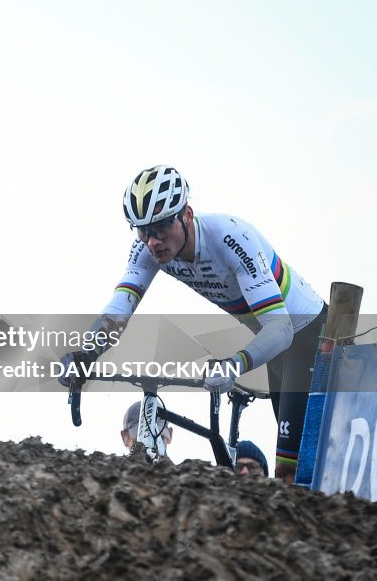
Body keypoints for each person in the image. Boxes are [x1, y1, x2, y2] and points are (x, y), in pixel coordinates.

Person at [60, 165, 325, 483]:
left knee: (291, 470)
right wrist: (86, 354)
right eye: (141, 230)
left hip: (307, 334)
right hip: (275, 344)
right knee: (289, 471)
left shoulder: (229, 237)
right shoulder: (147, 249)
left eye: (159, 228)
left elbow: (283, 329)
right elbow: (120, 308)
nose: (152, 241)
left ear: (186, 214)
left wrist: (233, 365)